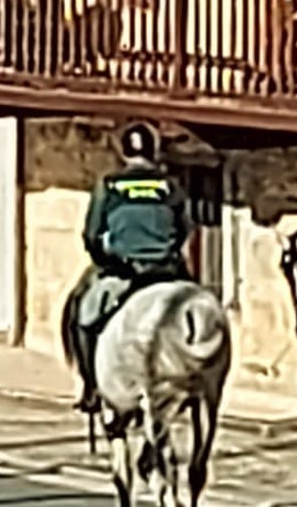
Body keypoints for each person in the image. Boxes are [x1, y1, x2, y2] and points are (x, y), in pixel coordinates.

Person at [66, 122, 194, 413]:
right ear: (154, 152)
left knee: (84, 318)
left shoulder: (110, 186)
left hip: (125, 273)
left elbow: (91, 234)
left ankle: (92, 387)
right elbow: (186, 228)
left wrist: (105, 259)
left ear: (124, 153)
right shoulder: (170, 186)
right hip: (168, 272)